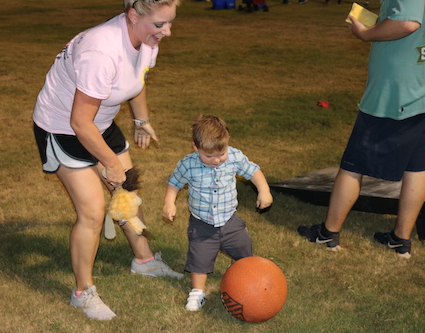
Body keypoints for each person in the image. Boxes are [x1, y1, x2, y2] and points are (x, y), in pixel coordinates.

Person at [32, 0, 183, 321]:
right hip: (62, 127)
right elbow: (78, 123)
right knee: (93, 211)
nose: (167, 32)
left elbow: (136, 79)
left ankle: (143, 260)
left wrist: (141, 120)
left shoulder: (145, 38)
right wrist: (110, 164)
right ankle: (82, 292)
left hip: (97, 122)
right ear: (133, 16)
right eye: (160, 24)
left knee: (127, 191)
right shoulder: (101, 51)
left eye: (170, 23)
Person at [298, 0, 425, 259]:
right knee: (417, 166)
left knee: (353, 165)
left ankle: (328, 234)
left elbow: (407, 22)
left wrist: (365, 33)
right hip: (419, 85)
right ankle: (400, 240)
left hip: (396, 91)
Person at [162, 115, 273, 311]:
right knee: (199, 259)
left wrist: (264, 190)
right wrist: (169, 202)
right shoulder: (188, 164)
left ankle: (239, 273)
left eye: (221, 154)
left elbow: (253, 171)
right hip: (202, 224)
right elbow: (175, 183)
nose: (216, 160)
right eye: (209, 156)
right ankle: (197, 291)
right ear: (195, 148)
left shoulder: (235, 157)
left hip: (230, 221)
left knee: (244, 249)